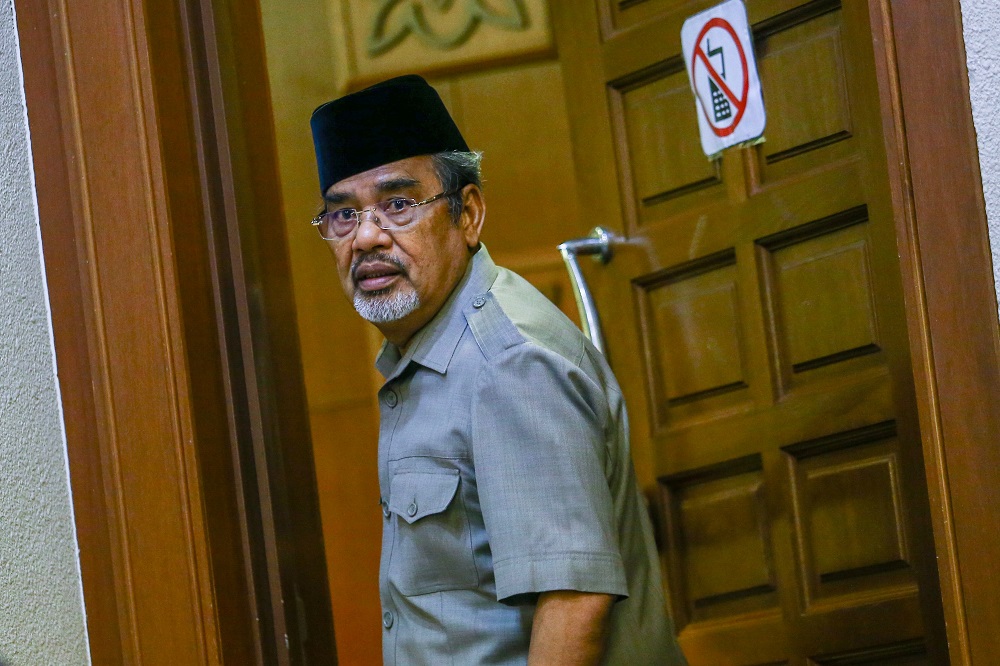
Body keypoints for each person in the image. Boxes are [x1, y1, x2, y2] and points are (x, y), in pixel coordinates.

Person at [309, 74, 687, 665]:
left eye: (399, 205)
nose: (367, 238)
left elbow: (574, 599)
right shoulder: (429, 352)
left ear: (468, 214)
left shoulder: (507, 362)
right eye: (342, 216)